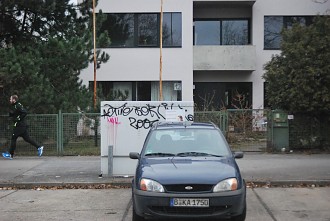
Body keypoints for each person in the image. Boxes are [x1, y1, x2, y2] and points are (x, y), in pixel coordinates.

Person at [2, 95, 44, 159]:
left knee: (13, 138)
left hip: (20, 126)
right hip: (22, 126)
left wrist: (18, 119)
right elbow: (17, 113)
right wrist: (12, 115)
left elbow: (24, 112)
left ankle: (10, 154)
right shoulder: (15, 105)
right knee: (27, 139)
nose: (9, 100)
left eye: (10, 99)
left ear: (14, 100)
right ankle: (39, 147)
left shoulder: (17, 105)